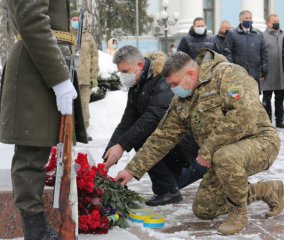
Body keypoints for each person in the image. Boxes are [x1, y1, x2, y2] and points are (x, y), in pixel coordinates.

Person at [116, 49, 283, 235]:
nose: (173, 89)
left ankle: (238, 213)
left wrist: (208, 149)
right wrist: (132, 170)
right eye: (170, 85)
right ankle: (267, 189)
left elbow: (244, 115)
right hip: (221, 154)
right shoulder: (182, 99)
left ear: (191, 74)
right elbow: (163, 136)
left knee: (225, 155)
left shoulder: (228, 74)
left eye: (175, 84)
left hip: (259, 142)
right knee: (205, 209)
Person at [0, 1, 86, 239]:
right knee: (31, 151)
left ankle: (36, 229)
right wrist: (58, 78)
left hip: (46, 63)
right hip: (37, 67)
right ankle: (35, 231)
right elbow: (32, 21)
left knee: (40, 148)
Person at [103, 45, 206, 206]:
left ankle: (169, 190)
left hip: (182, 142)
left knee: (143, 136)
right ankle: (170, 184)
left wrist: (123, 145)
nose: (123, 76)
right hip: (167, 144)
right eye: (120, 72)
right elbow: (126, 122)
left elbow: (153, 117)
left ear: (139, 65)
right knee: (139, 136)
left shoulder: (162, 79)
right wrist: (110, 154)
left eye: (125, 71)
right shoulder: (137, 85)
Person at [70, 10, 99, 139]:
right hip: (70, 78)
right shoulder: (66, 35)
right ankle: (69, 132)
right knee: (69, 106)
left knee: (84, 108)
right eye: (73, 19)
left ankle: (83, 132)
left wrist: (94, 76)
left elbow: (94, 56)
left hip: (85, 79)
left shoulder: (88, 37)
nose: (76, 21)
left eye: (77, 19)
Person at [224, 10, 268, 88]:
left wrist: (264, 67)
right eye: (246, 18)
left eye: (250, 18)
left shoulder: (258, 34)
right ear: (240, 20)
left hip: (255, 72)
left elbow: (263, 51)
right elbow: (227, 51)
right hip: (238, 73)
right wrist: (232, 67)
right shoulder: (232, 34)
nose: (248, 20)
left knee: (253, 96)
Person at [260, 14, 284, 128]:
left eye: (277, 21)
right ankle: (267, 121)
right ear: (268, 23)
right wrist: (262, 70)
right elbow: (260, 53)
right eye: (274, 21)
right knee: (267, 99)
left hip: (281, 73)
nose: (276, 23)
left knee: (280, 99)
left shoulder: (282, 35)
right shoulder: (262, 36)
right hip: (268, 73)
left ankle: (280, 120)